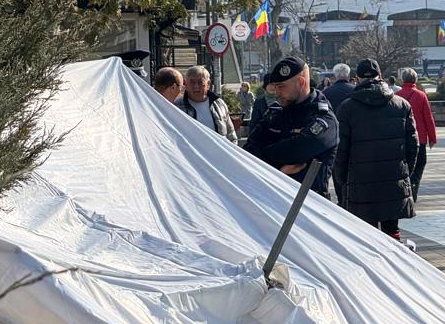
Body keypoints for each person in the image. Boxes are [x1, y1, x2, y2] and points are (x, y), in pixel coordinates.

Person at [333, 58, 418, 240]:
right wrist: (405, 172)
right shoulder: (402, 105)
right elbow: (413, 145)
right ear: (381, 76)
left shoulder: (347, 108)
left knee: (367, 235)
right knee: (392, 231)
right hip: (394, 177)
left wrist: (341, 179)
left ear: (357, 78)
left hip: (360, 180)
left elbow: (341, 150)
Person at [244, 55, 338, 199]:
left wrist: (266, 153)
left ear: (301, 82)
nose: (277, 92)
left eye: (281, 86)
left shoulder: (323, 117)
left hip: (310, 203)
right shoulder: (276, 113)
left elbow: (299, 149)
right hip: (272, 198)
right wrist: (279, 170)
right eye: (275, 87)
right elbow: (249, 153)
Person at [397, 68, 437, 202]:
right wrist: (432, 138)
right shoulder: (421, 95)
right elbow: (428, 118)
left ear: (402, 80)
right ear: (415, 80)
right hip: (420, 138)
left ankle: (405, 192)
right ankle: (413, 189)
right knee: (419, 165)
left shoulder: (396, 96)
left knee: (404, 167)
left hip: (401, 138)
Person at [175, 66, 237, 141]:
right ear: (185, 84)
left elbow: (231, 135)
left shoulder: (219, 104)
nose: (196, 86)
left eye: (200, 82)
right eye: (192, 82)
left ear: (208, 84)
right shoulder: (177, 107)